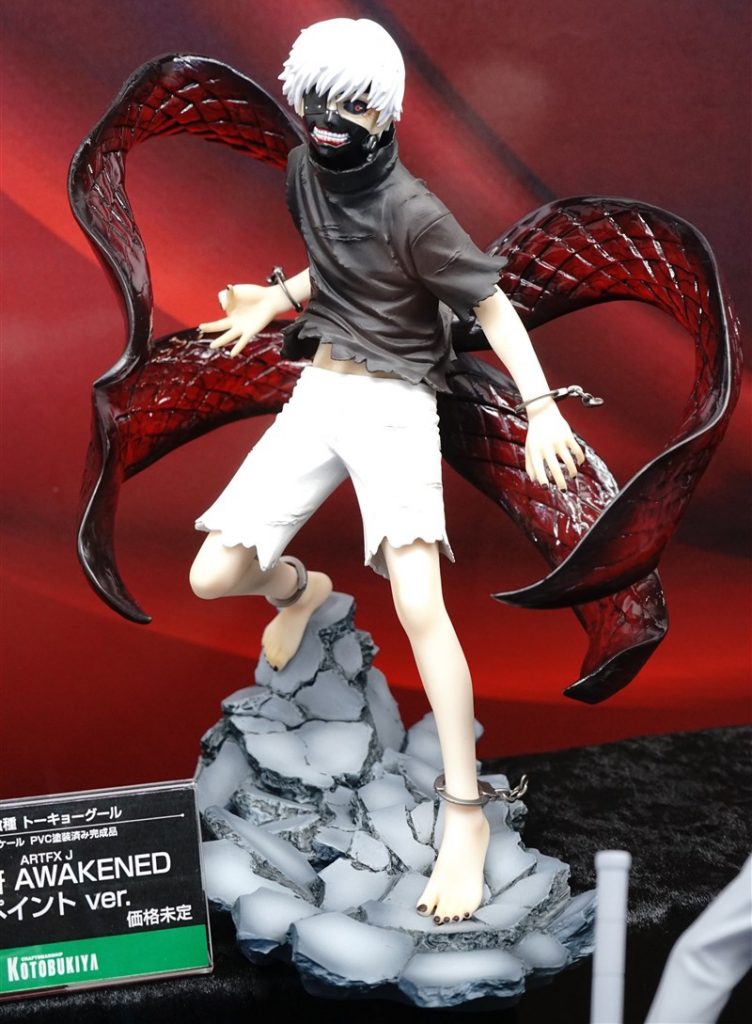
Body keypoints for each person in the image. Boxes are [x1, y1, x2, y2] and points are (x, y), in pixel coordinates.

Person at [190, 17, 584, 925]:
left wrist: (542, 407)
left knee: (419, 606)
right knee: (214, 574)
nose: (330, 121)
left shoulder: (416, 211)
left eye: (351, 104)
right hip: (320, 391)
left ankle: (466, 814)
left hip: (398, 403)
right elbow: (336, 265)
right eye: (316, 101)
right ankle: (302, 592)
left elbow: (493, 309)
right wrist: (275, 298)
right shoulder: (304, 170)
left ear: (384, 110)